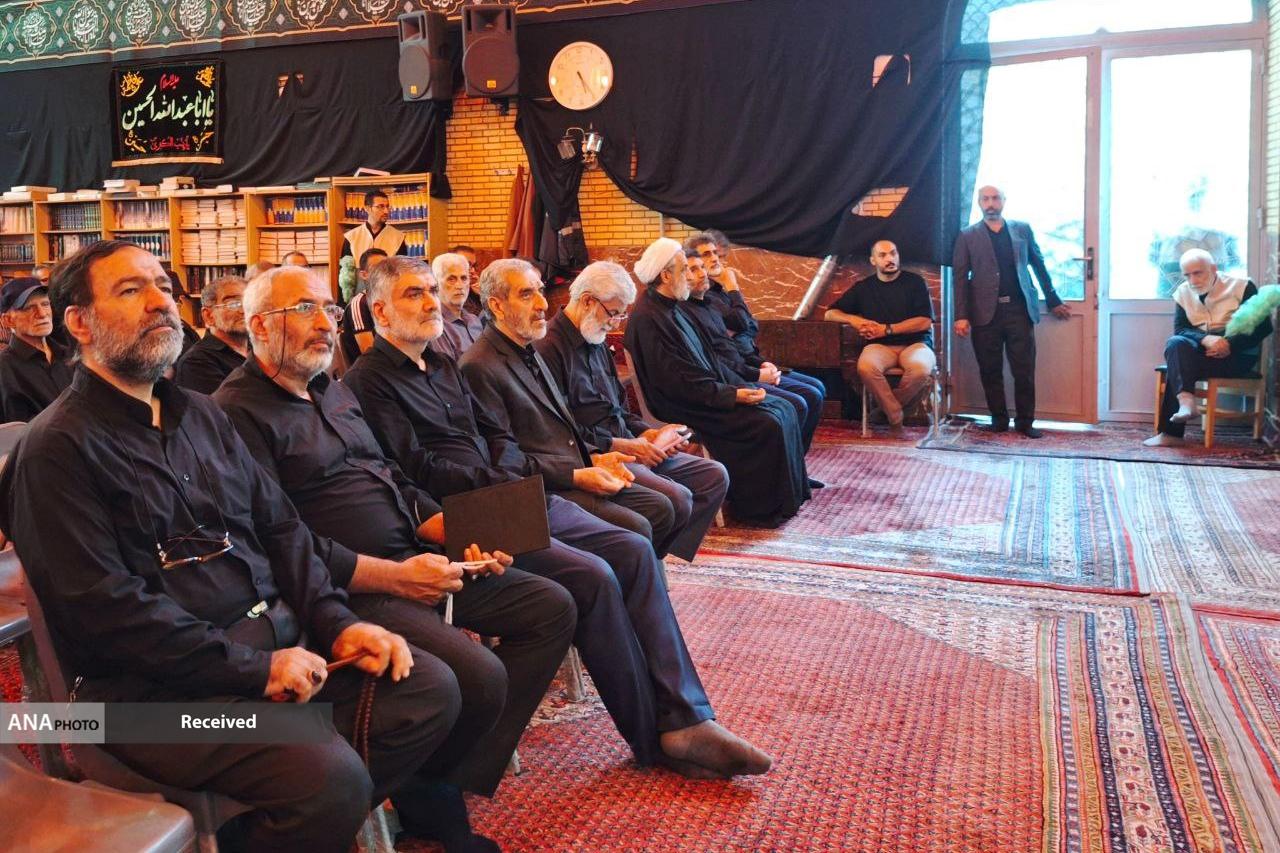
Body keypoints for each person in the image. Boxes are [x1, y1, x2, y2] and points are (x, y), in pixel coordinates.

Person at [0, 241, 484, 853]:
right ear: (79, 322)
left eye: (163, 288)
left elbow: (283, 531)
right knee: (327, 776)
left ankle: (278, 830)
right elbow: (108, 612)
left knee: (428, 692)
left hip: (272, 646)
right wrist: (256, 670)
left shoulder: (202, 415)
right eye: (130, 290)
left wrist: (337, 624)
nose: (159, 303)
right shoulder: (54, 450)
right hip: (152, 701)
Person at [343, 256, 772, 780]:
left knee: (633, 548)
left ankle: (686, 715)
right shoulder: (369, 382)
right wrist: (501, 483)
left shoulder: (441, 362)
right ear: (380, 312)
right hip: (466, 513)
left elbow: (493, 435)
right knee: (593, 575)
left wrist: (511, 477)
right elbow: (418, 468)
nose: (432, 301)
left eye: (432, 290)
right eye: (415, 294)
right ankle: (658, 736)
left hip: (508, 492)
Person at [213, 265, 575, 810]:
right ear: (260, 325)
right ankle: (428, 796)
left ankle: (446, 774)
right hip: (352, 583)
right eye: (305, 309)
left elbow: (393, 476)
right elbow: (279, 540)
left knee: (551, 606)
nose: (326, 324)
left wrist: (453, 531)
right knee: (477, 676)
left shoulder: (330, 391)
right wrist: (396, 577)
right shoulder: (234, 412)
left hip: (413, 551)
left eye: (329, 310)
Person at [459, 259, 680, 552]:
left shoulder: (526, 348)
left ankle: (637, 574)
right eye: (526, 294)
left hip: (575, 465)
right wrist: (576, 474)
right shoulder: (479, 365)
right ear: (497, 306)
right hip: (544, 486)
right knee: (638, 529)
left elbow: (563, 427)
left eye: (540, 291)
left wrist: (596, 456)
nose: (542, 304)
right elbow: (506, 459)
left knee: (661, 507)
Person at [535, 261, 730, 561]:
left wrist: (648, 433)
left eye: (621, 315)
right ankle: (645, 560)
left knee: (713, 475)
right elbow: (562, 432)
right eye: (613, 313)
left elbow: (618, 407)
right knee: (676, 498)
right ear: (587, 301)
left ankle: (657, 556)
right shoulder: (548, 348)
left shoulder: (595, 336)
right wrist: (625, 446)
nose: (615, 324)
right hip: (598, 456)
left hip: (628, 442)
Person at [624, 238, 810, 528]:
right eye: (685, 269)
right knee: (766, 422)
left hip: (705, 390)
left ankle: (789, 499)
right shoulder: (649, 318)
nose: (691, 275)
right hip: (682, 402)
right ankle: (759, 510)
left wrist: (738, 387)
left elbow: (710, 359)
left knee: (783, 407)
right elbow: (677, 381)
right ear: (666, 276)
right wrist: (731, 395)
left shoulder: (672, 307)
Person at [683, 232, 826, 452]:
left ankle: (795, 460)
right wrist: (733, 287)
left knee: (816, 388)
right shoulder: (705, 297)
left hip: (749, 361)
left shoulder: (717, 292)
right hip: (736, 373)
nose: (714, 259)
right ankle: (788, 462)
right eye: (706, 255)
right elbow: (739, 327)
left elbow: (750, 326)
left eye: (715, 253)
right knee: (804, 399)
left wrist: (761, 363)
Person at [952, 185, 1070, 438]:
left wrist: (1053, 299)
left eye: (995, 198)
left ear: (1004, 201)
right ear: (979, 203)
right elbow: (960, 278)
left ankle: (1025, 422)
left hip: (1019, 310)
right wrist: (961, 315)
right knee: (990, 369)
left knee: (1023, 370)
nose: (990, 203)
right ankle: (999, 419)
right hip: (984, 314)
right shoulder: (967, 236)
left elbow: (1038, 265)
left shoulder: (1022, 229)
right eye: (985, 199)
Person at [1145, 249, 1273, 446]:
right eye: (1187, 275)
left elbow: (1264, 327)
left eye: (1198, 273)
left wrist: (1230, 344)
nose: (1193, 280)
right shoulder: (1183, 292)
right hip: (1205, 352)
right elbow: (1181, 329)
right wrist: (1206, 339)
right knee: (1175, 344)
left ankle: (1171, 435)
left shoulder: (1242, 286)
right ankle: (1186, 402)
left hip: (1238, 356)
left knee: (1177, 367)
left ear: (1213, 268)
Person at [824, 241, 937, 436]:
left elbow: (924, 322)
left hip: (916, 343)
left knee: (921, 369)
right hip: (879, 346)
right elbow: (829, 314)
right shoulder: (864, 287)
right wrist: (855, 320)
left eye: (893, 253)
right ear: (873, 260)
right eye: (883, 255)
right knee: (865, 367)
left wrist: (887, 330)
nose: (890, 259)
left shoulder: (915, 282)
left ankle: (885, 412)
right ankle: (895, 415)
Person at [0, 276, 72, 421]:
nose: (42, 314)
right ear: (8, 320)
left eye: (45, 304)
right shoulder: (4, 369)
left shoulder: (69, 355)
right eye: (28, 308)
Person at [173, 275, 249, 395]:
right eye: (233, 304)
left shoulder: (260, 349)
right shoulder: (196, 362)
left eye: (249, 303)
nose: (244, 310)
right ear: (208, 316)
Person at [430, 252, 484, 360]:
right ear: (435, 283)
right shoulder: (435, 325)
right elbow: (448, 368)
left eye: (464, 278)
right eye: (451, 279)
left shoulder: (474, 320)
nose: (459, 286)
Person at [340, 247, 389, 366]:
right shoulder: (359, 304)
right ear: (364, 274)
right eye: (376, 268)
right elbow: (369, 353)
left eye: (386, 267)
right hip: (370, 370)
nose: (383, 272)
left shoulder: (389, 301)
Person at [341, 190, 407, 261]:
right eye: (380, 206)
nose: (386, 211)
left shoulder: (398, 237)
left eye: (387, 206)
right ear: (367, 208)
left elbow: (402, 266)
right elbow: (345, 267)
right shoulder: (352, 237)